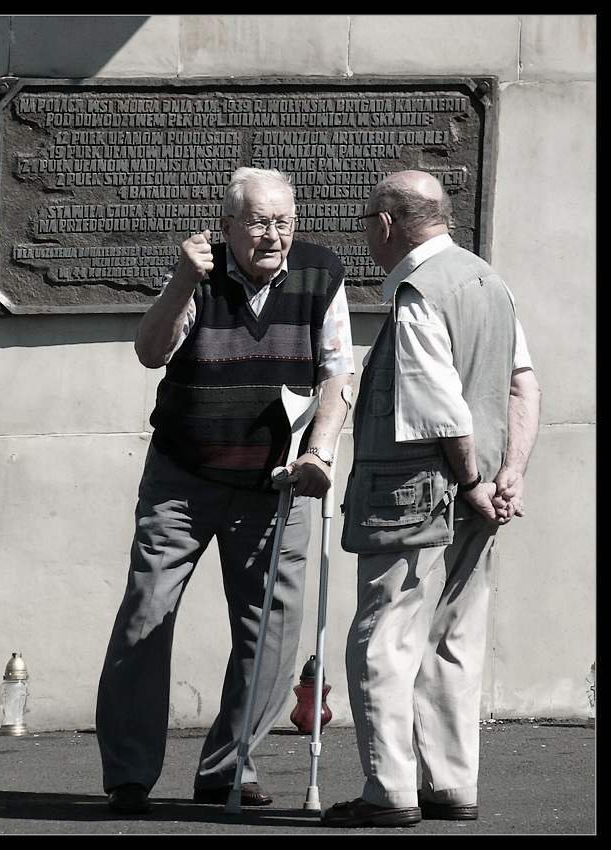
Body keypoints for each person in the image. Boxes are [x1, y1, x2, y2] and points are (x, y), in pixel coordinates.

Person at [96, 166, 355, 814]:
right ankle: (129, 774)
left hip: (277, 480)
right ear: (229, 225)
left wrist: (320, 451)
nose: (274, 236)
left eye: (284, 222)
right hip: (183, 477)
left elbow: (334, 373)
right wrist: (183, 278)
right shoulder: (199, 269)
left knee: (272, 631)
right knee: (144, 615)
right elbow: (151, 351)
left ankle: (228, 765)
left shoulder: (320, 271)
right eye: (261, 223)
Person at [321, 170, 541, 829]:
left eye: (367, 222)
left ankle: (388, 791)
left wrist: (472, 479)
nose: (366, 234)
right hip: (480, 493)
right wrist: (512, 475)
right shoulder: (487, 281)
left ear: (386, 223)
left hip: (416, 493)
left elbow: (437, 407)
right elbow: (522, 383)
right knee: (453, 637)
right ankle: (449, 784)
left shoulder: (416, 292)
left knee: (382, 638)